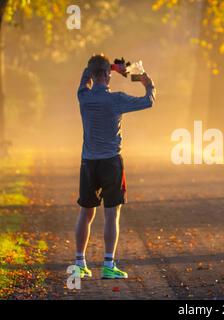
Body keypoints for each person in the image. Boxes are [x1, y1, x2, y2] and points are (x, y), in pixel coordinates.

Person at [74, 54, 155, 279]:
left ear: (91, 75)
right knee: (112, 214)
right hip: (111, 162)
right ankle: (108, 265)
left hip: (88, 162)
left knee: (86, 212)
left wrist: (103, 67)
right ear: (108, 75)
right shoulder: (117, 99)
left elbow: (85, 76)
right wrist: (138, 76)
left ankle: (80, 263)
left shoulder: (83, 96)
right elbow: (149, 99)